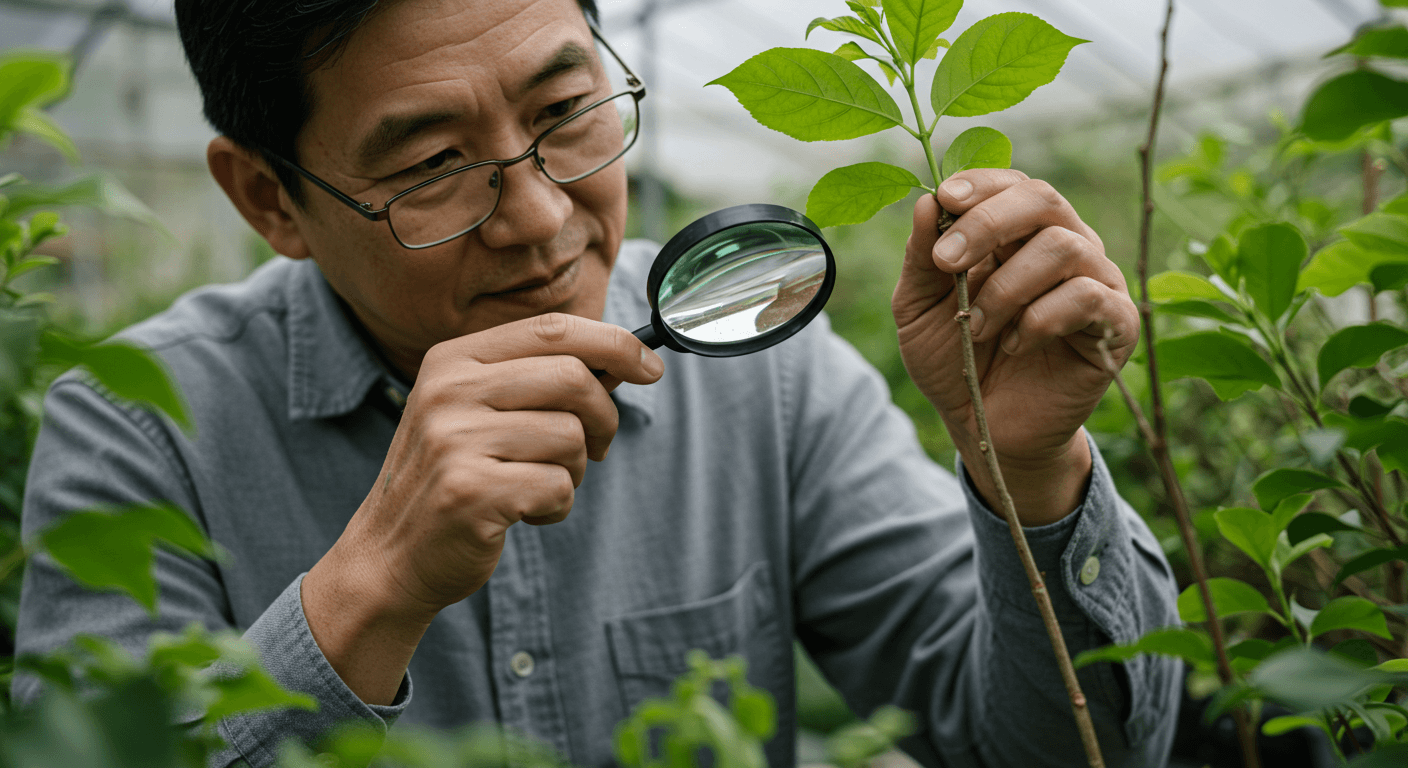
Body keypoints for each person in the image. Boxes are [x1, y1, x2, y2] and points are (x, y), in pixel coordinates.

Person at [13, 0, 1182, 766]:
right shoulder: (141, 429)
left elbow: (1061, 750)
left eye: (566, 112)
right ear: (270, 200)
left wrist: (1030, 470)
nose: (537, 218)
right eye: (432, 165)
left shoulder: (766, 377)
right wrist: (370, 588)